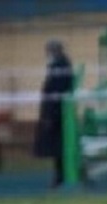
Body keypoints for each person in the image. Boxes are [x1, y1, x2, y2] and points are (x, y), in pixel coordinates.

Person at [33, 40, 74, 188]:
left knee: (59, 146)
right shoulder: (58, 66)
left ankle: (61, 176)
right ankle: (60, 175)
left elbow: (57, 90)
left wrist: (50, 115)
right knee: (57, 147)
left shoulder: (61, 67)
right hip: (55, 112)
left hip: (57, 113)